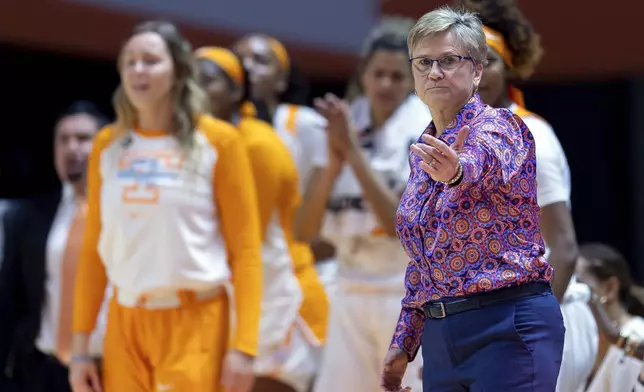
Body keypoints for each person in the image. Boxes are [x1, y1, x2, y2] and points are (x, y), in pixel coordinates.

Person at [69, 21, 263, 392]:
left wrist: (245, 347)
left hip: (197, 322)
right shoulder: (107, 145)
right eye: (130, 62)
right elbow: (94, 252)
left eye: (150, 61)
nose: (138, 70)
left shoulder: (219, 141)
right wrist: (80, 349)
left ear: (178, 71)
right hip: (125, 323)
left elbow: (247, 252)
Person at [380, 7, 565, 391]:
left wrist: (458, 171)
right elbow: (423, 263)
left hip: (507, 324)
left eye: (449, 61)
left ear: (477, 70)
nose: (434, 72)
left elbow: (484, 159)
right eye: (424, 62)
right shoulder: (425, 151)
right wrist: (405, 340)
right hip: (442, 335)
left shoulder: (501, 126)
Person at [455, 1, 597, 390]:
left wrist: (527, 335)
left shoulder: (532, 136)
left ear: (509, 67)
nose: (477, 73)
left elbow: (564, 249)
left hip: (540, 315)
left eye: (489, 61)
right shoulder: (449, 136)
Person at [311, 17, 429, 392]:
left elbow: (398, 226)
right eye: (378, 73)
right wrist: (332, 162)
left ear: (412, 79)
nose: (386, 85)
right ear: (363, 73)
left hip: (405, 292)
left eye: (397, 76)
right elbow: (303, 230)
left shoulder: (426, 126)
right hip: (348, 287)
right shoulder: (343, 121)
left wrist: (353, 155)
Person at [194, 46, 308, 392]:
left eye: (207, 81)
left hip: (268, 293)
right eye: (190, 80)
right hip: (225, 290)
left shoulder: (258, 143)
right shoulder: (195, 142)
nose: (195, 90)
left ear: (235, 92)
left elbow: (246, 241)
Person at [233, 35, 330, 389]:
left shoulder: (303, 123)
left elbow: (327, 198)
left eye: (260, 61)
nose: (247, 68)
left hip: (299, 268)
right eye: (240, 60)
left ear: (283, 78)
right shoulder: (219, 129)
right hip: (238, 272)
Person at [0, 101, 109, 392]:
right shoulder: (29, 215)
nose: (72, 148)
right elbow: (10, 297)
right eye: (63, 140)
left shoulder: (126, 213)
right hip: (41, 370)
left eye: (83, 139)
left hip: (108, 369)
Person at [576, 243, 644, 392]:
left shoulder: (637, 334)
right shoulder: (585, 340)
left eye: (580, 286)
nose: (572, 297)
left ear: (610, 288)